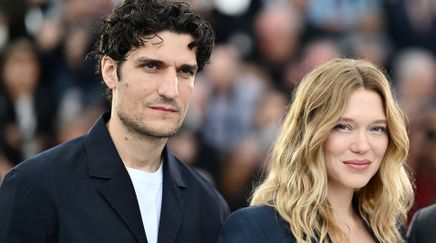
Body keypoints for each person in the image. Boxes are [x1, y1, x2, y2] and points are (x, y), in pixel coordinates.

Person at [0, 0, 229, 242]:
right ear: (110, 71)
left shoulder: (210, 208)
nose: (170, 90)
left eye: (185, 71)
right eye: (152, 66)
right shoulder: (35, 188)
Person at [218, 58, 414, 243]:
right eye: (343, 126)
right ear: (309, 133)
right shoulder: (256, 229)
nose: (362, 146)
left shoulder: (392, 232)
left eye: (376, 129)